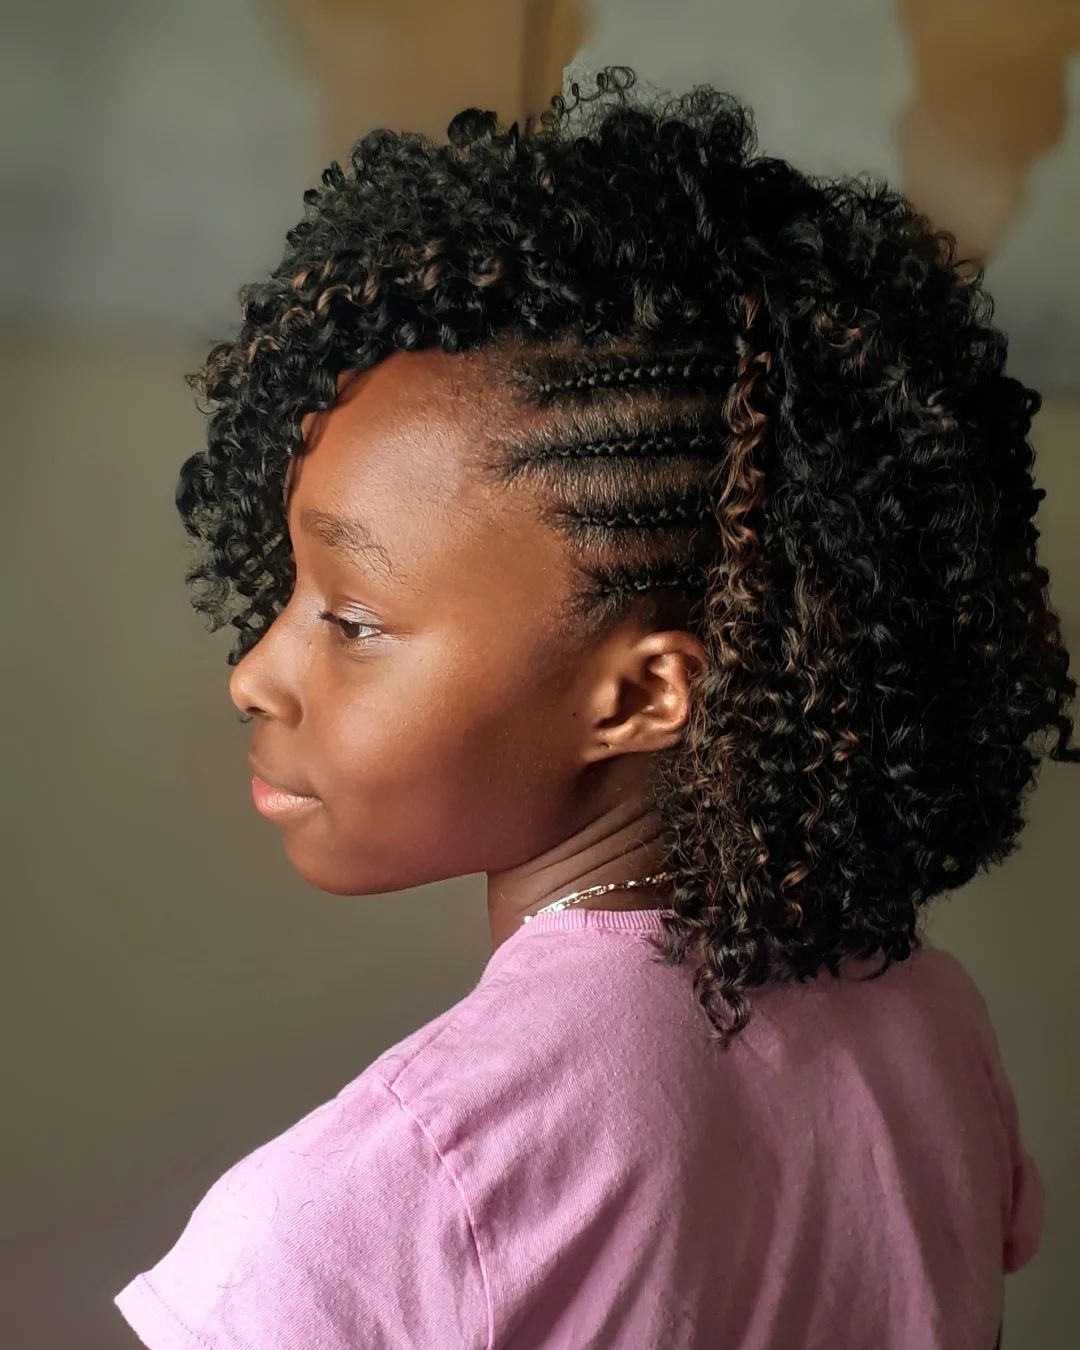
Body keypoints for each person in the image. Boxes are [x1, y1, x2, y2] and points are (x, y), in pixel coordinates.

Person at [114, 66, 1070, 1349]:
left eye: (351, 621)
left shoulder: (382, 1205)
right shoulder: (932, 1026)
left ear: (642, 695)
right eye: (294, 593)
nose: (255, 672)